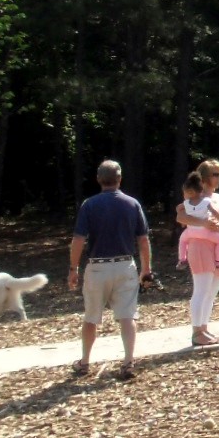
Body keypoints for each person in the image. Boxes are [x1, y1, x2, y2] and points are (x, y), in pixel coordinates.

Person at [68, 160, 153, 380]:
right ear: (119, 179)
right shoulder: (132, 204)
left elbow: (78, 240)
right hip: (125, 264)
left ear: (98, 179)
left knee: (91, 317)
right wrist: (146, 269)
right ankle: (127, 362)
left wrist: (73, 268)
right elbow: (143, 240)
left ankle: (85, 361)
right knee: (127, 316)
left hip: (98, 267)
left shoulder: (89, 205)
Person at [175, 159, 219, 346]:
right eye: (215, 175)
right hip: (199, 247)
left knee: (212, 291)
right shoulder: (194, 198)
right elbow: (181, 218)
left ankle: (204, 327)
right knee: (201, 289)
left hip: (217, 246)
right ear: (205, 177)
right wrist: (204, 224)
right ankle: (196, 331)